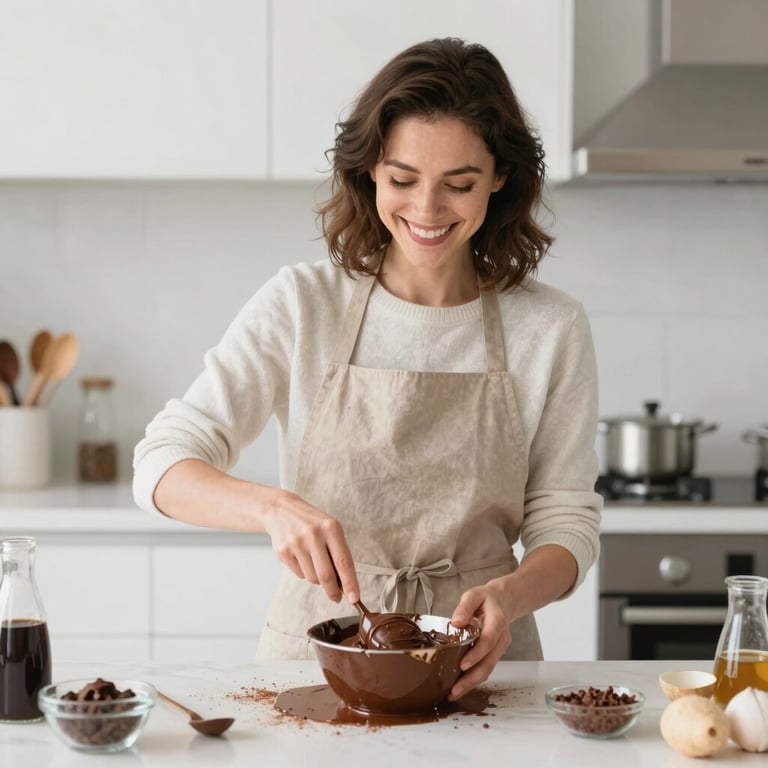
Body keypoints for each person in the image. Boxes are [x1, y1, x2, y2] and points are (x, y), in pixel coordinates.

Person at [133, 37, 602, 701]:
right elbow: (160, 463)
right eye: (403, 180)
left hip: (479, 668)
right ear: (370, 173)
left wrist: (512, 594)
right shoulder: (302, 304)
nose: (427, 210)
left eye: (459, 184)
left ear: (500, 177)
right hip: (314, 665)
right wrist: (273, 508)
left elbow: (566, 523)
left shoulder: (551, 328)